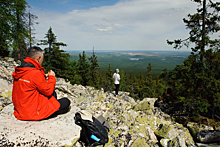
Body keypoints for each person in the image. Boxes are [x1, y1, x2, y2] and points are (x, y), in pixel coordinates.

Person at [12, 46, 70, 121]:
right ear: (38, 58)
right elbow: (48, 91)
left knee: (53, 94)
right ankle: (51, 111)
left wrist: (42, 77)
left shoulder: (21, 70)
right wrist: (51, 77)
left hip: (21, 110)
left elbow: (30, 82)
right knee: (66, 101)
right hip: (32, 113)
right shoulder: (35, 73)